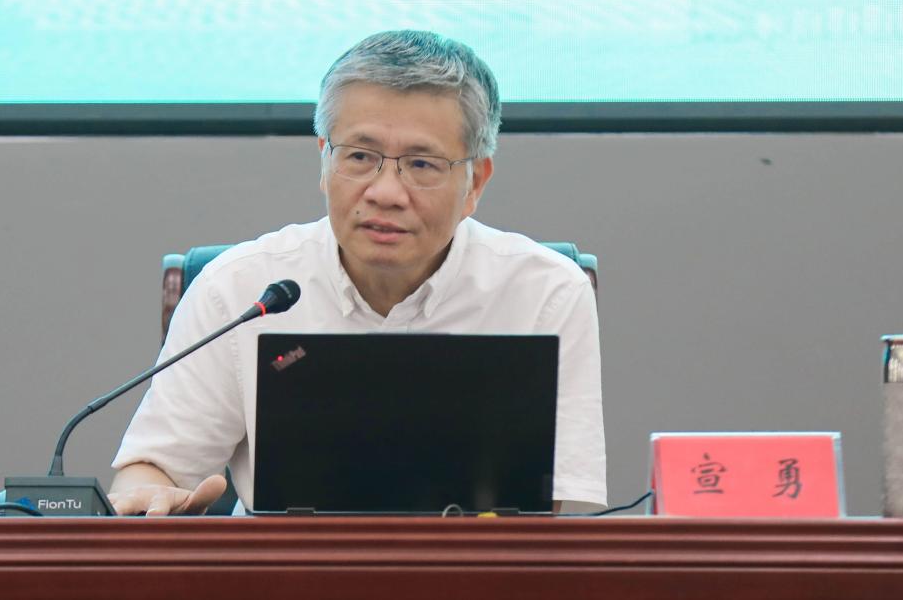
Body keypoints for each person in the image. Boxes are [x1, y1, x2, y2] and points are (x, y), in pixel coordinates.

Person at [109, 30, 605, 516]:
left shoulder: (545, 293)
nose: (385, 192)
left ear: (475, 181)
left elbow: (556, 514)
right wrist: (151, 498)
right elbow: (153, 470)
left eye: (421, 164)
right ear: (324, 161)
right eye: (361, 157)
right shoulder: (239, 288)